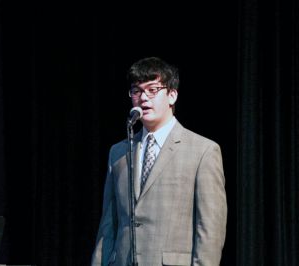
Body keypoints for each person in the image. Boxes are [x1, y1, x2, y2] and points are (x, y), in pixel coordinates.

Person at [91, 57, 227, 266]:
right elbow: (108, 226)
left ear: (172, 95)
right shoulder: (118, 152)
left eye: (153, 90)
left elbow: (209, 231)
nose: (144, 98)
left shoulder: (203, 151)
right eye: (137, 91)